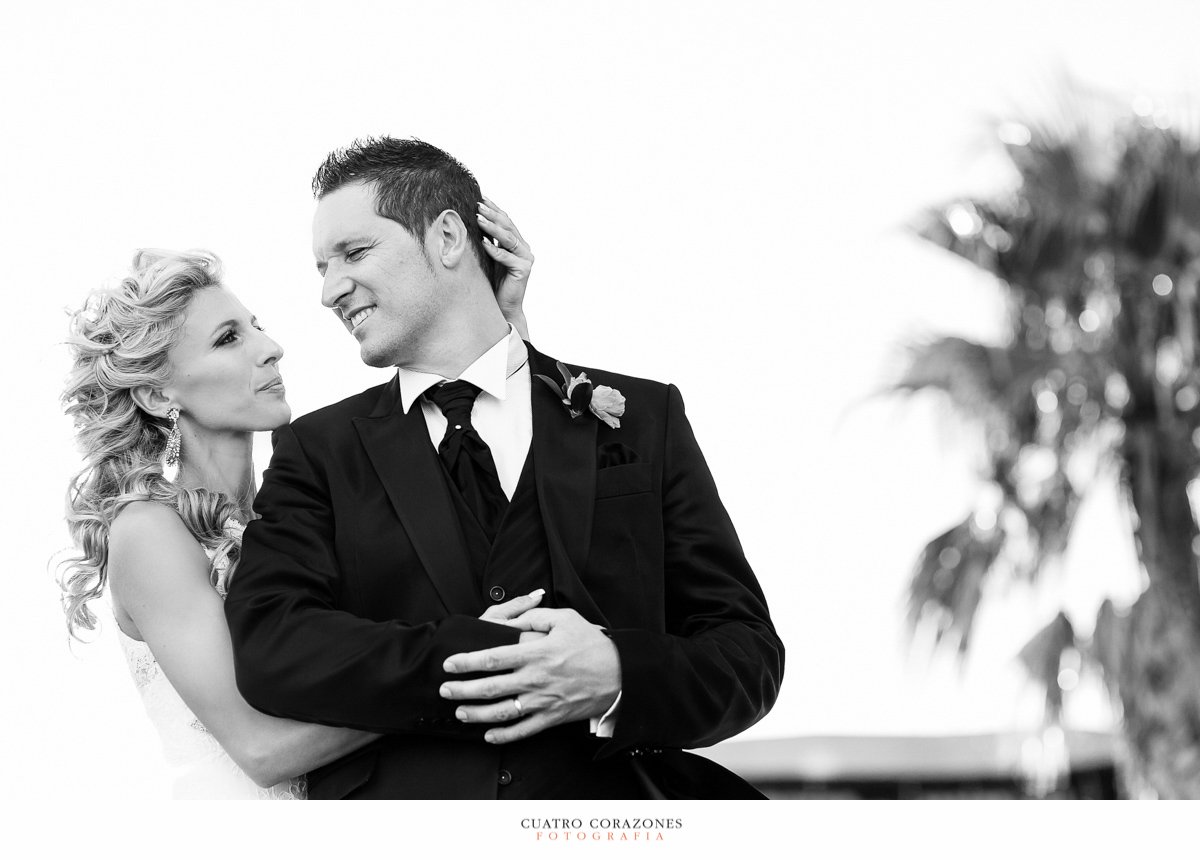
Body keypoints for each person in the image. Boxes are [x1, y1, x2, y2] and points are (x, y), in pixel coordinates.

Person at [224, 137, 785, 799]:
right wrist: (479, 654)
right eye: (322, 266)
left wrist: (616, 672)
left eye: (354, 252)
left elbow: (746, 653)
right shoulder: (317, 448)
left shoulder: (641, 416)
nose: (329, 291)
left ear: (449, 237)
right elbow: (271, 644)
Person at [58, 208, 535, 798]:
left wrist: (503, 332)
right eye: (229, 339)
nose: (271, 348)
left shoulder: (296, 506)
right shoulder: (149, 533)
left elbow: (490, 505)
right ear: (159, 393)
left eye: (256, 326)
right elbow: (263, 748)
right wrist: (466, 667)